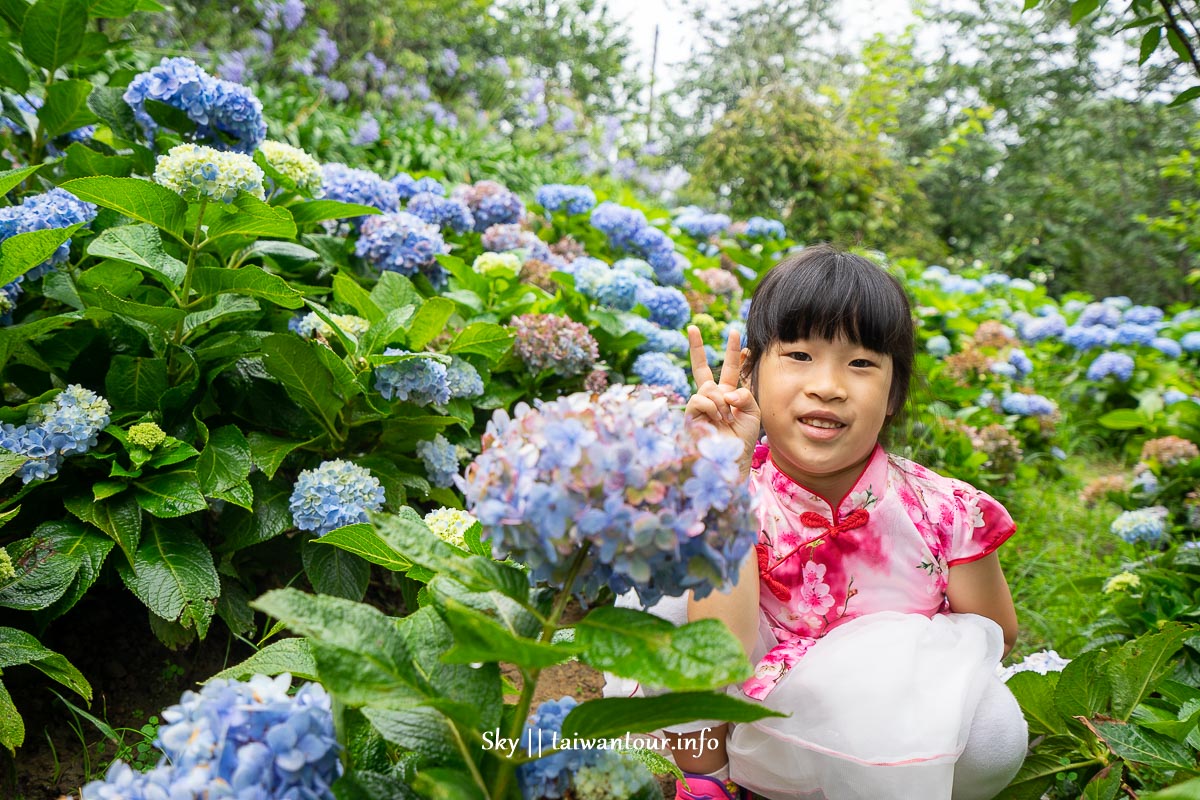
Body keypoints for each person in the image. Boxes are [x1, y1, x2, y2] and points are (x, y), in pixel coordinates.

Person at [605, 246, 1027, 800]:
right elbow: (719, 650)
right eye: (800, 355)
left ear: (895, 391)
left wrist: (890, 657)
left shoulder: (947, 510)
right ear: (753, 374)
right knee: (659, 596)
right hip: (740, 719)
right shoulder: (726, 491)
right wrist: (723, 479)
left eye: (860, 363)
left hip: (880, 734)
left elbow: (995, 635)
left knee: (994, 731)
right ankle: (710, 784)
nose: (827, 384)